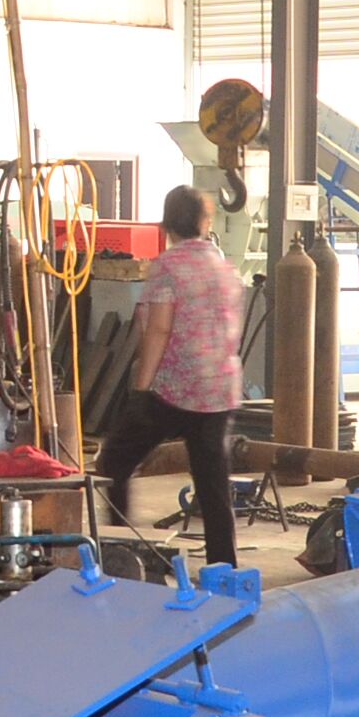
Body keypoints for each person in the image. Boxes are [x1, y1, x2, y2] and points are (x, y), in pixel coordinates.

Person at [97, 184, 246, 570]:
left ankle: (122, 552)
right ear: (204, 222)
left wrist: (141, 391)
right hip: (220, 388)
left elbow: (159, 330)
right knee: (213, 487)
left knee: (114, 461)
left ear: (166, 224)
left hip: (175, 388)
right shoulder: (224, 266)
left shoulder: (167, 266)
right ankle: (223, 570)